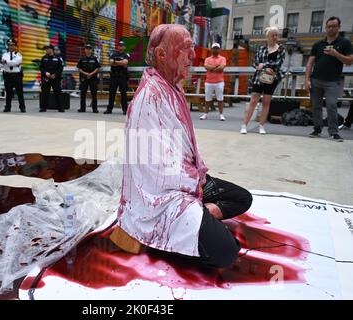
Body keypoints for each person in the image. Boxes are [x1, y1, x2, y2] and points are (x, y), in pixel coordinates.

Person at [117, 24, 252, 268]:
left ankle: (200, 218)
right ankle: (161, 238)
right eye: (186, 49)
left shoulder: (173, 88)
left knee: (241, 198)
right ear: (161, 55)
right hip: (161, 195)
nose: (193, 56)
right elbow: (154, 168)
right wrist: (192, 184)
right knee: (226, 252)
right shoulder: (149, 98)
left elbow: (184, 148)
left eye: (193, 49)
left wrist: (197, 178)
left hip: (184, 182)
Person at [306, 17, 353, 142]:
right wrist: (307, 79)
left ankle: (333, 132)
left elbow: (349, 61)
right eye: (328, 26)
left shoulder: (345, 43)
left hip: (333, 81)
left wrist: (336, 54)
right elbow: (310, 63)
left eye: (334, 26)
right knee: (316, 106)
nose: (331, 28)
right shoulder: (318, 44)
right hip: (316, 80)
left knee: (332, 105)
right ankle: (317, 129)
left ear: (339, 27)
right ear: (325, 28)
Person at [240, 26, 286, 135]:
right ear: (268, 37)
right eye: (272, 35)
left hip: (272, 78)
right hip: (259, 77)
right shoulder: (261, 49)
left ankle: (261, 125)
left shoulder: (281, 49)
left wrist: (263, 65)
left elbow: (278, 64)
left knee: (266, 101)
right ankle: (244, 125)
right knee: (253, 101)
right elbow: (255, 63)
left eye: (276, 35)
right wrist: (264, 67)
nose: (275, 37)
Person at [200, 43, 227, 121]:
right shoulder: (207, 59)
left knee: (220, 98)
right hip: (208, 81)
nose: (215, 49)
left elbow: (221, 68)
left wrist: (211, 68)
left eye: (217, 48)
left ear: (219, 49)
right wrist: (216, 67)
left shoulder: (223, 58)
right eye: (214, 48)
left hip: (219, 82)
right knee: (207, 98)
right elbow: (206, 66)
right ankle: (205, 114)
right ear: (211, 49)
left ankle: (221, 115)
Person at [104, 40, 130, 115]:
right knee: (112, 93)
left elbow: (125, 63)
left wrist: (115, 62)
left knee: (123, 94)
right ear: (117, 47)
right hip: (114, 76)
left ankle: (125, 110)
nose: (120, 47)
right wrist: (120, 63)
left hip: (123, 77)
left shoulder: (126, 54)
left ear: (124, 47)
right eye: (119, 46)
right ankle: (109, 109)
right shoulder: (113, 54)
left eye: (122, 46)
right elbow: (110, 62)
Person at [1, 39, 26, 113]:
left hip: (17, 76)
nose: (10, 46)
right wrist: (10, 63)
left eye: (12, 45)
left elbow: (16, 62)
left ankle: (22, 107)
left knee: (20, 93)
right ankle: (7, 107)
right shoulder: (5, 54)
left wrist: (7, 62)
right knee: (8, 93)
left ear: (15, 46)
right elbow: (5, 62)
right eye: (9, 45)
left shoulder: (18, 54)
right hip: (8, 75)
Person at [77, 44, 101, 113]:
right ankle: (82, 108)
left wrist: (91, 74)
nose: (88, 50)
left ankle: (95, 109)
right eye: (87, 49)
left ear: (91, 50)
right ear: (85, 50)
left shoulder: (94, 58)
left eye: (89, 49)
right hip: (84, 78)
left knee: (94, 94)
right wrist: (86, 73)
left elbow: (97, 68)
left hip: (93, 78)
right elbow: (79, 68)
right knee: (83, 93)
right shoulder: (82, 59)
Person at [39, 45, 64, 112]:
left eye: (47, 49)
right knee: (45, 93)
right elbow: (41, 67)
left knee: (58, 93)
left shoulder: (58, 58)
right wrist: (45, 73)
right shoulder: (44, 58)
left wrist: (55, 74)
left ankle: (60, 108)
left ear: (52, 50)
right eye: (46, 49)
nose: (46, 50)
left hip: (55, 78)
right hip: (46, 78)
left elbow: (61, 68)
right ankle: (43, 108)